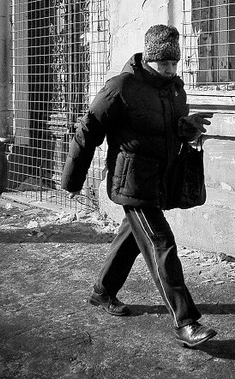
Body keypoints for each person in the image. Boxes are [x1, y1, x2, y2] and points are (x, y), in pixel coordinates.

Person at [61, 24, 216, 348]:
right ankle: (185, 322)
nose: (170, 69)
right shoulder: (121, 87)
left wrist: (186, 129)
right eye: (164, 63)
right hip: (132, 183)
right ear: (148, 59)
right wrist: (73, 180)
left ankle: (103, 291)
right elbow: (88, 130)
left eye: (174, 63)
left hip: (159, 181)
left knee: (132, 238)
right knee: (161, 242)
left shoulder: (175, 89)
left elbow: (166, 130)